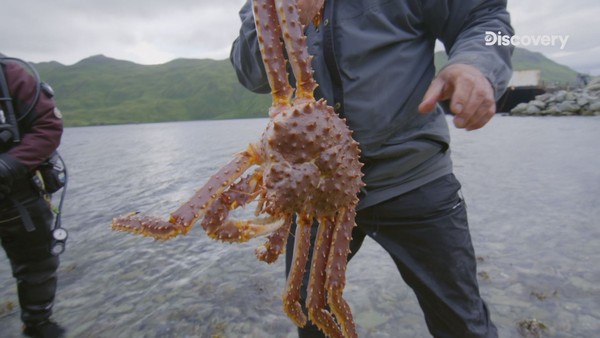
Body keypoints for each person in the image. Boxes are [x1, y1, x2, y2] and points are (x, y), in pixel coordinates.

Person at [230, 0, 513, 337]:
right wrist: (278, 15)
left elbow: (485, 16)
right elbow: (250, 73)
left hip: (412, 173)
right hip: (313, 194)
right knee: (309, 314)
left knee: (461, 323)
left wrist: (476, 63)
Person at [0, 54, 65, 337]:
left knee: (38, 262)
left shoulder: (10, 75)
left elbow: (48, 126)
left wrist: (8, 165)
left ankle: (38, 324)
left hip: (15, 192)